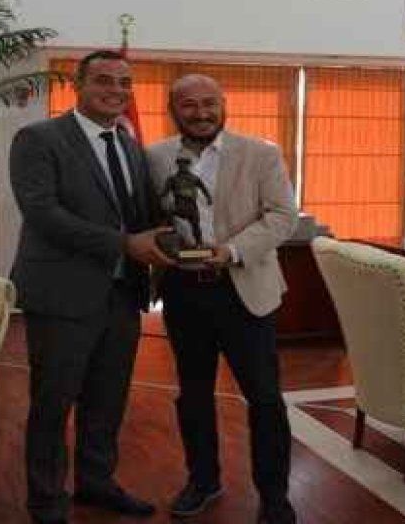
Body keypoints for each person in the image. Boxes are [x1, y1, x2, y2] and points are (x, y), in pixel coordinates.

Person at [9, 50, 173, 524]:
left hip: (122, 295)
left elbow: (139, 214)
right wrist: (124, 244)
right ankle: (46, 502)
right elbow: (43, 214)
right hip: (61, 294)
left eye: (124, 83)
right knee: (53, 403)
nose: (116, 91)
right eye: (104, 80)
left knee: (107, 401)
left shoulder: (128, 143)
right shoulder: (39, 138)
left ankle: (96, 483)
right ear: (78, 85)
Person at [147, 74, 299, 524]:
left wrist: (231, 251)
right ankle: (203, 481)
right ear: (173, 110)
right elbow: (151, 216)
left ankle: (274, 497)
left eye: (209, 103)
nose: (201, 113)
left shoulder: (261, 154)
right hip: (182, 293)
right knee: (193, 394)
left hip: (245, 290)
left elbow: (282, 216)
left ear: (223, 105)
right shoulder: (154, 157)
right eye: (189, 105)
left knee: (265, 399)